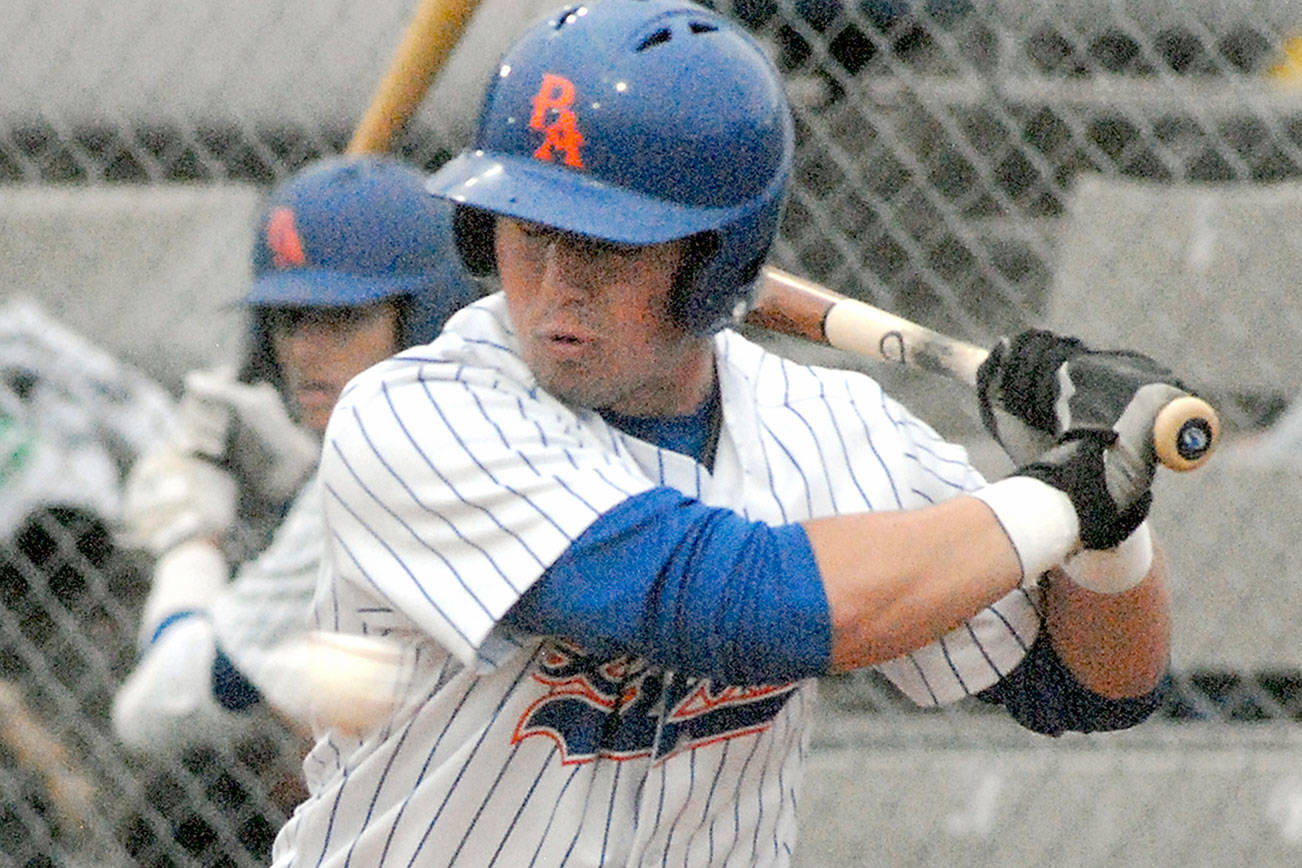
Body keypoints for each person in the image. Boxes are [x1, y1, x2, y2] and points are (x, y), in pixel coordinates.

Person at [271, 2, 1182, 864]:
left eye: (602, 245)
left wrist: (1112, 510)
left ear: (714, 264)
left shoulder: (830, 429)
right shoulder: (417, 413)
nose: (553, 287)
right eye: (526, 232)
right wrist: (1062, 494)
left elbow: (1090, 685)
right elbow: (731, 602)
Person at [111, 154, 480, 756]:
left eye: (342, 318)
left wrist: (188, 544)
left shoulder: (380, 467)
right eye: (289, 319)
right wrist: (299, 484)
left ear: (425, 317)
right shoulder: (483, 421)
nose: (305, 351)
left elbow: (155, 710)